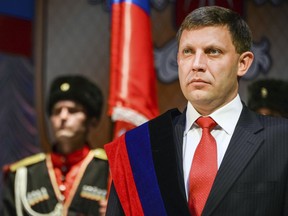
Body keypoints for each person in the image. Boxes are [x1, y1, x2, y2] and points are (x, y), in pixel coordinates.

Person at [104, 6, 288, 216]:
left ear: (243, 63)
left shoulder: (282, 141)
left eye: (213, 52)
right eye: (188, 52)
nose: (197, 64)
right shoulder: (139, 146)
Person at [2, 75, 109, 215]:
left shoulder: (110, 170)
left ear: (91, 120)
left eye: (73, 110)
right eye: (57, 111)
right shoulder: (24, 175)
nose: (63, 117)